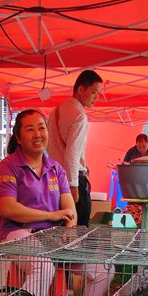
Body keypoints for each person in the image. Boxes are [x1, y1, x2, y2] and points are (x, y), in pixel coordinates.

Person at [0, 109, 110, 296]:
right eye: (30, 129)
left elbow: (69, 210)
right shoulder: (9, 166)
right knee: (43, 266)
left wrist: (68, 231)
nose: (38, 134)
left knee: (103, 269)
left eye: (42, 128)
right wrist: (50, 215)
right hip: (18, 232)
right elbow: (8, 208)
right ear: (18, 138)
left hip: (53, 236)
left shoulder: (56, 168)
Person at [46, 69, 103, 227]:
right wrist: (74, 187)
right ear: (80, 89)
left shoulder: (56, 111)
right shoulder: (79, 115)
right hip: (72, 179)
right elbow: (71, 155)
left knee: (56, 230)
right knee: (78, 231)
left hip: (54, 177)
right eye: (94, 92)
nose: (96, 97)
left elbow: (52, 148)